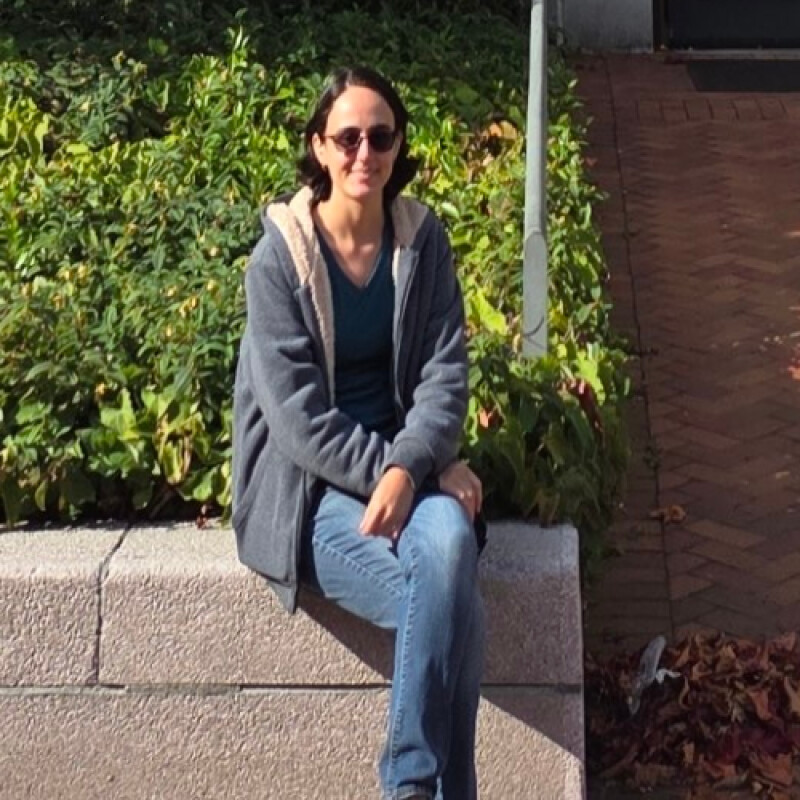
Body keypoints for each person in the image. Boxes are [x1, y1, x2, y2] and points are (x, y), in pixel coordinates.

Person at [231, 65, 485, 800]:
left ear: (399, 145)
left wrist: (410, 468)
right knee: (451, 604)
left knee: (449, 545)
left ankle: (410, 789)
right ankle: (425, 787)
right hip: (309, 494)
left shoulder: (421, 242)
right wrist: (408, 471)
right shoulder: (279, 261)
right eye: (347, 138)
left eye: (380, 137)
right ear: (318, 146)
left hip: (404, 476)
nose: (364, 154)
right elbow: (298, 420)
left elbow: (444, 375)